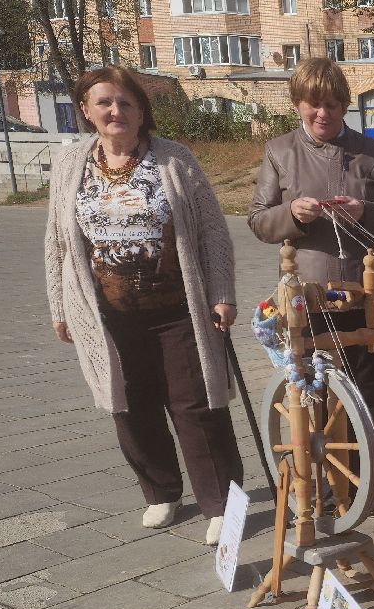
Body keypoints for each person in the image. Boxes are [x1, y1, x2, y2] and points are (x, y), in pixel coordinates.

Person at [44, 66, 243, 546]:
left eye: (126, 102)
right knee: (128, 404)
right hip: (107, 314)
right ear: (87, 112)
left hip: (179, 308)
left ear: (141, 110)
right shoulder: (70, 163)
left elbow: (213, 231)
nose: (116, 111)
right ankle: (161, 492)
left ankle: (220, 503)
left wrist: (221, 294)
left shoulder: (174, 159)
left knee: (197, 405)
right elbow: (57, 241)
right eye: (105, 103)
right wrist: (60, 305)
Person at [248, 57, 374, 439]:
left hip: (372, 291)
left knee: (371, 391)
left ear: (344, 105)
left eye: (332, 105)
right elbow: (258, 221)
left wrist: (364, 211)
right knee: (315, 391)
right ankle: (327, 480)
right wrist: (292, 214)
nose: (322, 113)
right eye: (313, 104)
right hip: (311, 295)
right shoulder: (279, 151)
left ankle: (371, 479)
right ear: (298, 103)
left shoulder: (372, 152)